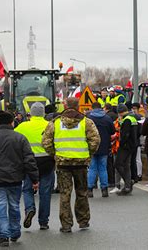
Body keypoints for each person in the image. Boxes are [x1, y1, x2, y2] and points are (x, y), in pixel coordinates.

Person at [42, 97, 100, 233]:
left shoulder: (54, 123)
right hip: (80, 163)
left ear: (65, 106)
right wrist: (88, 154)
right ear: (78, 106)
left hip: (63, 164)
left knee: (65, 194)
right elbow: (95, 141)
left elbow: (46, 142)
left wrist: (55, 154)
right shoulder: (87, 122)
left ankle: (66, 224)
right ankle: (83, 220)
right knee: (82, 192)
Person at [0, 111, 39, 247]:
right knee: (14, 205)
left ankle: (3, 236)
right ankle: (14, 232)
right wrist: (34, 178)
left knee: (0, 207)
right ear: (11, 122)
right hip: (15, 178)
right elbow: (29, 160)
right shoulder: (20, 138)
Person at [14, 103, 55, 231]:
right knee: (45, 192)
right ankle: (43, 222)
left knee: (27, 189)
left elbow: (14, 141)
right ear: (43, 113)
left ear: (30, 113)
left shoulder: (22, 126)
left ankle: (30, 209)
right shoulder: (50, 125)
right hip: (47, 162)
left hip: (29, 162)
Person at [87, 102, 115, 198]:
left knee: (92, 168)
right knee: (103, 168)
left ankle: (90, 189)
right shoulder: (107, 118)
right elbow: (112, 131)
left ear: (92, 108)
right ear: (101, 108)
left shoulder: (88, 118)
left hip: (92, 147)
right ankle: (104, 189)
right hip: (104, 146)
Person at [115, 104, 138, 195]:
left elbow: (125, 134)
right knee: (126, 165)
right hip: (132, 145)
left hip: (125, 146)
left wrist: (121, 143)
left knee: (118, 164)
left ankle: (128, 182)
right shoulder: (133, 118)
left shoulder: (127, 120)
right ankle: (127, 187)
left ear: (120, 112)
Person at [131, 102, 144, 182]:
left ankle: (139, 174)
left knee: (137, 159)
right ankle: (136, 174)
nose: (133, 110)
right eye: (133, 109)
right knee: (135, 159)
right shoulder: (134, 117)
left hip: (137, 140)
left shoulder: (140, 117)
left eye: (135, 109)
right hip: (135, 140)